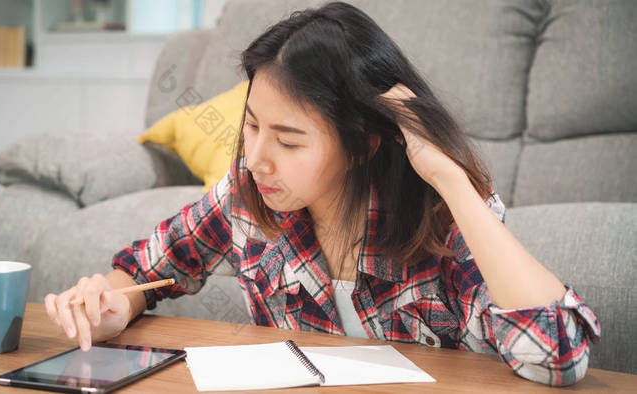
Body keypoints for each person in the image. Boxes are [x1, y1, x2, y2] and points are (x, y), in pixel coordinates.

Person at [45, 1, 600, 387]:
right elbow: (148, 269)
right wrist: (116, 303)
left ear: (362, 142)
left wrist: (450, 177)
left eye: (288, 140)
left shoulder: (439, 220)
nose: (258, 157)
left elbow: (558, 358)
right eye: (253, 126)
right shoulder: (247, 197)